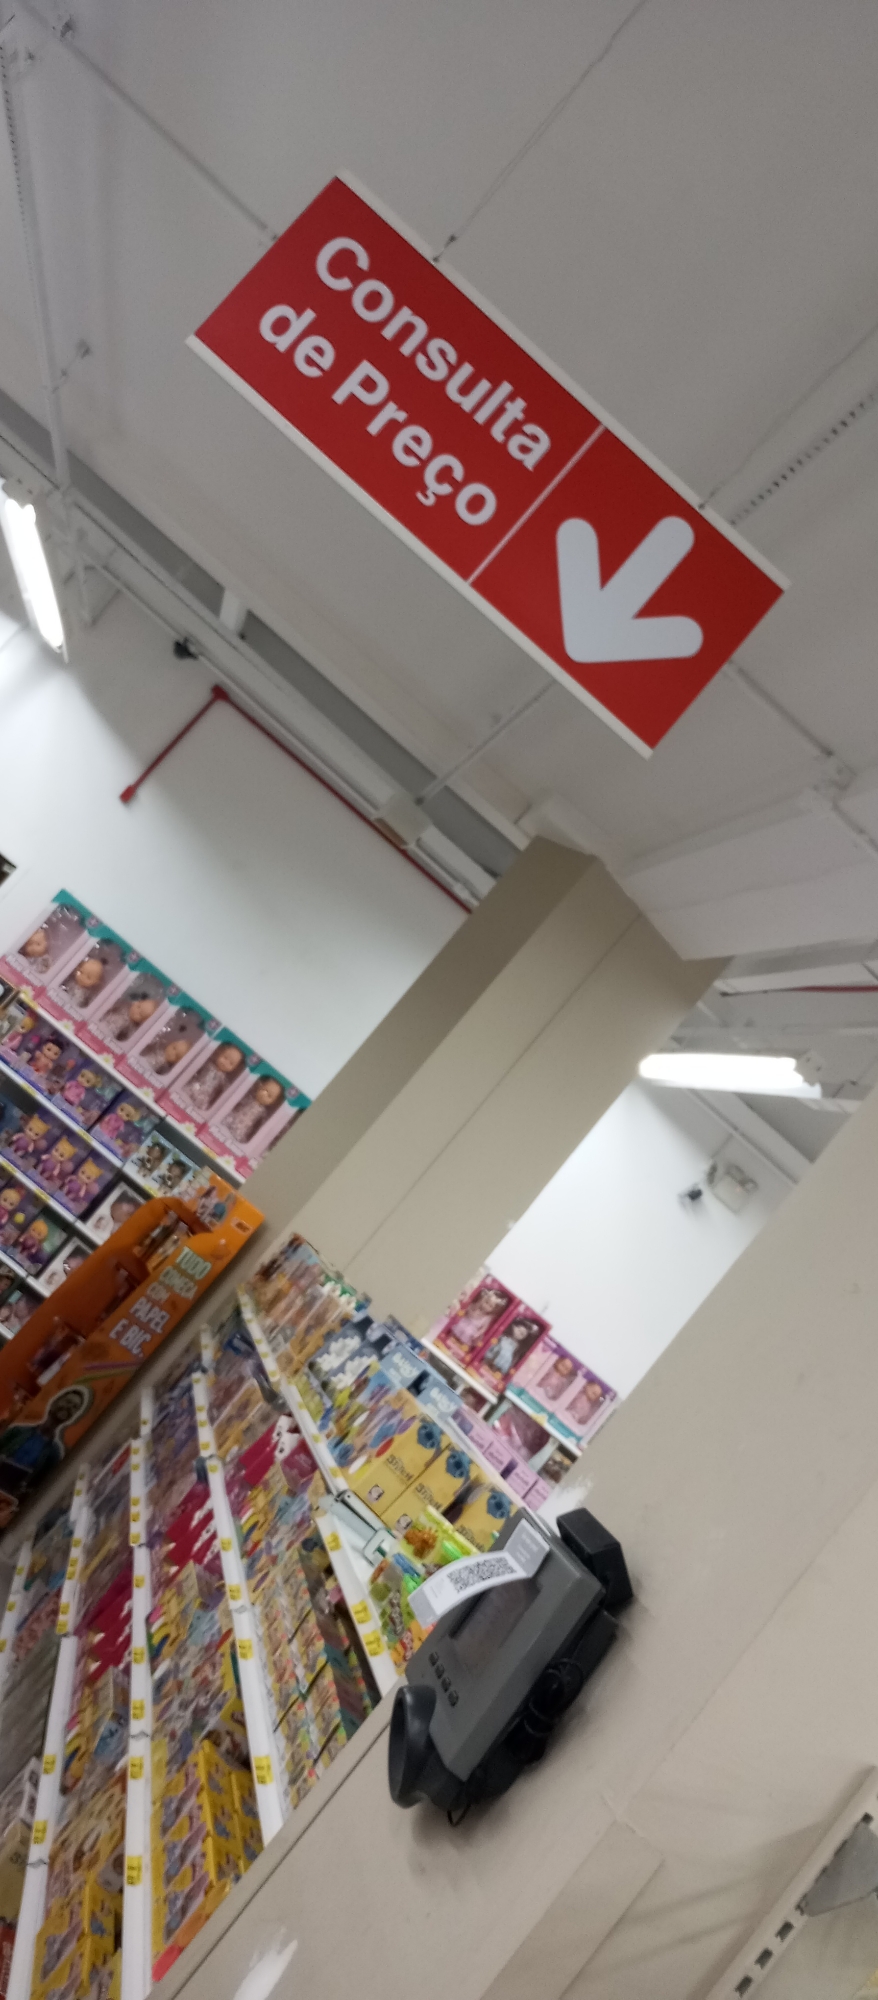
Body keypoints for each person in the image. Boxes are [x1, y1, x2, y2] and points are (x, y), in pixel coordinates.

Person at [0, 1383, 92, 1499]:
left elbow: (41, 1486)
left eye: (74, 1407)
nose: (69, 1407)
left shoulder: (55, 1452)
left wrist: (24, 1491)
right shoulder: (17, 1430)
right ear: (54, 1403)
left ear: (73, 1416)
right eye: (68, 1402)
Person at [176, 1043, 246, 1115]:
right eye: (225, 1057)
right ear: (220, 1053)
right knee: (180, 1098)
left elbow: (225, 1092)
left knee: (194, 1113)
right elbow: (194, 1071)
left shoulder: (223, 1080)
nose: (225, 1063)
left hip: (204, 1099)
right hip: (192, 1087)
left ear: (234, 1068)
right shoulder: (207, 1064)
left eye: (231, 1063)